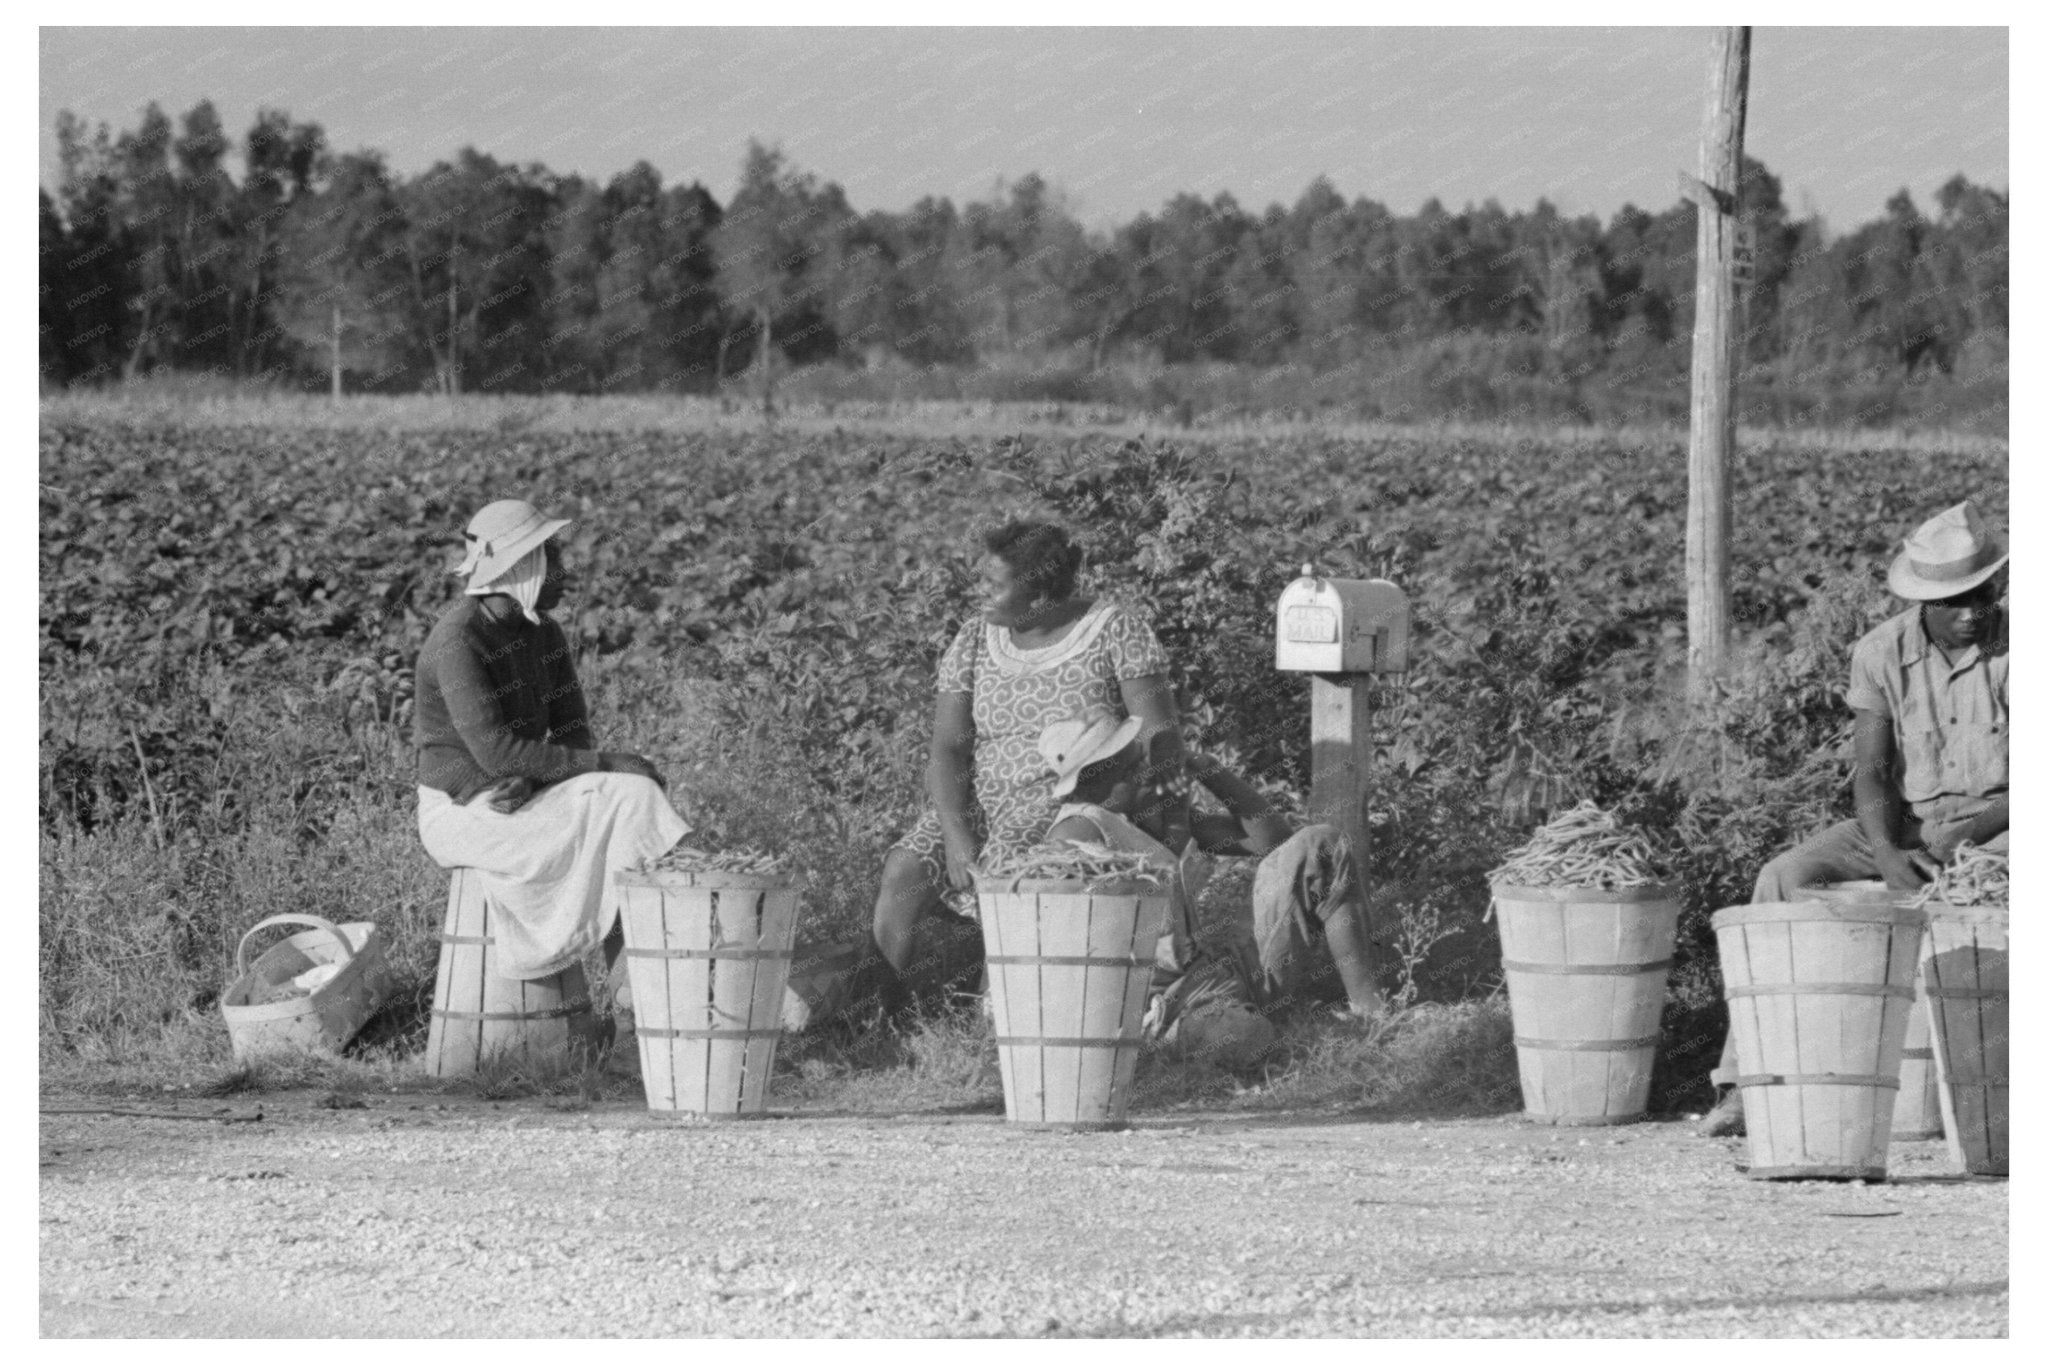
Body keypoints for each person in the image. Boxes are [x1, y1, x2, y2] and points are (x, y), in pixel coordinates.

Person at [1701, 500, 2008, 1137]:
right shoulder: (1881, 651)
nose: (1972, 613)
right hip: (1913, 820)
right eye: (1954, 602)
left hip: (2004, 823)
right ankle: (1747, 1082)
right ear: (1923, 602)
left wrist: (1967, 837)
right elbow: (1872, 772)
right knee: (1783, 876)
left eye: (1983, 596)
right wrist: (1888, 852)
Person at [869, 520, 1184, 1012]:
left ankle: (1000, 1016)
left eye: (992, 584)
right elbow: (948, 748)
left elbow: (1158, 738)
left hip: (1069, 801)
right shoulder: (976, 638)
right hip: (981, 801)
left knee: (1008, 865)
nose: (977, 592)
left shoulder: (1115, 629)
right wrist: (955, 833)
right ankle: (881, 1017)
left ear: (1039, 592)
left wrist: (1139, 807)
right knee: (904, 868)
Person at [412, 499, 690, 1031]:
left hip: (521, 790)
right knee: (624, 801)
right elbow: (495, 754)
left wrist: (535, 774)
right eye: (553, 561)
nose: (564, 575)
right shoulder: (458, 641)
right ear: (521, 568)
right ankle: (641, 1002)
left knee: (631, 803)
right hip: (464, 811)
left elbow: (571, 729)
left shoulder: (544, 634)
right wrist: (605, 763)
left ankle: (638, 1000)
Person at [1037, 709, 1383, 1065]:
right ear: (1094, 781)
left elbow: (1272, 840)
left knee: (1319, 844)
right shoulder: (1078, 830)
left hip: (1219, 973)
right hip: (1166, 1004)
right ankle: (1187, 1040)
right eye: (1132, 769)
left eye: (1141, 761)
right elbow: (1073, 944)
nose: (1147, 772)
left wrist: (1206, 769)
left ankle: (1372, 1014)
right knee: (1245, 1036)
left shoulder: (1139, 814)